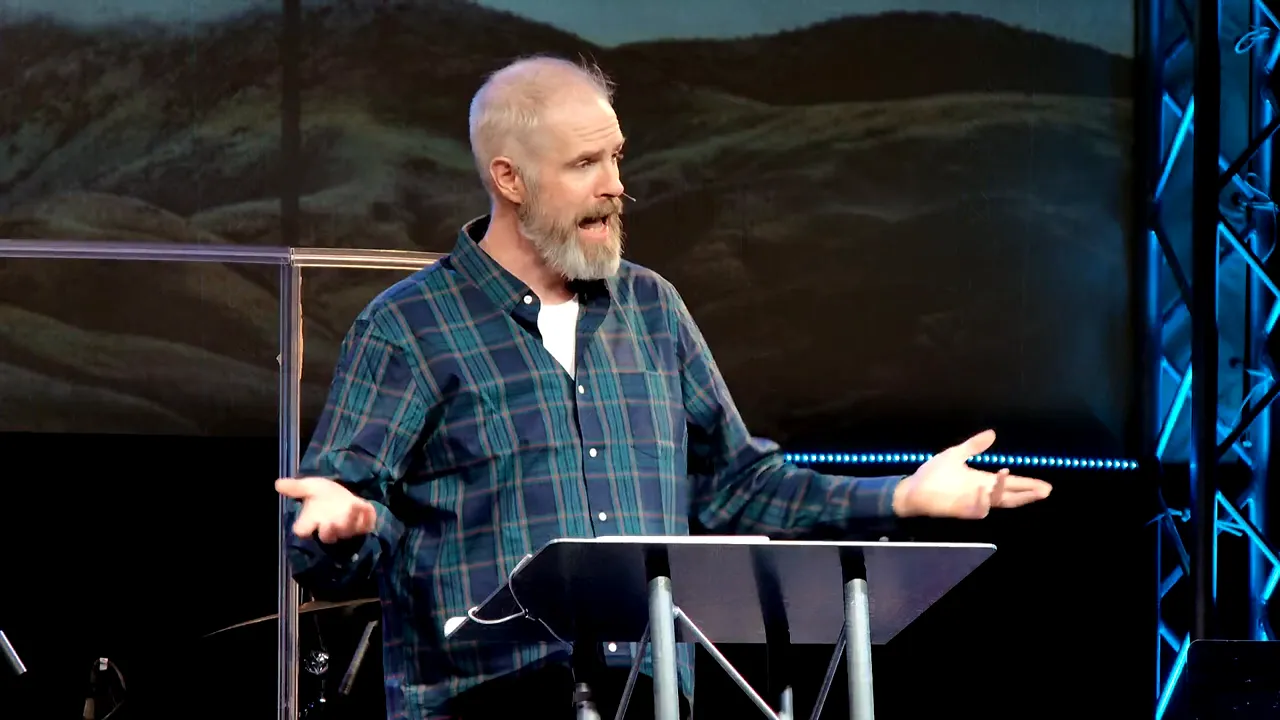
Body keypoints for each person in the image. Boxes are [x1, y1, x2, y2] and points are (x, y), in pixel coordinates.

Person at [276, 55, 1052, 720]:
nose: (615, 186)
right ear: (508, 178)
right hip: (484, 697)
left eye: (617, 158)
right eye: (585, 165)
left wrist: (900, 499)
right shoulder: (411, 326)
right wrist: (343, 522)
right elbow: (339, 524)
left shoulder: (651, 309)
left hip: (648, 694)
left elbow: (736, 485)